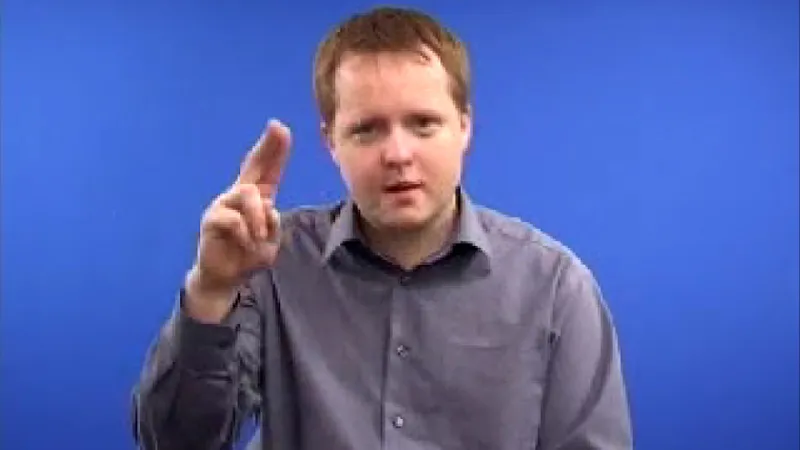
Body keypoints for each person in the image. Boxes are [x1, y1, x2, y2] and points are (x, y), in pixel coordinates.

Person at [130, 6, 633, 450]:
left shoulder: (556, 290)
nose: (397, 154)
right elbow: (174, 441)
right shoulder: (271, 264)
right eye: (367, 129)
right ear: (331, 142)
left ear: (465, 127)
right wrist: (212, 291)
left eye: (422, 123)